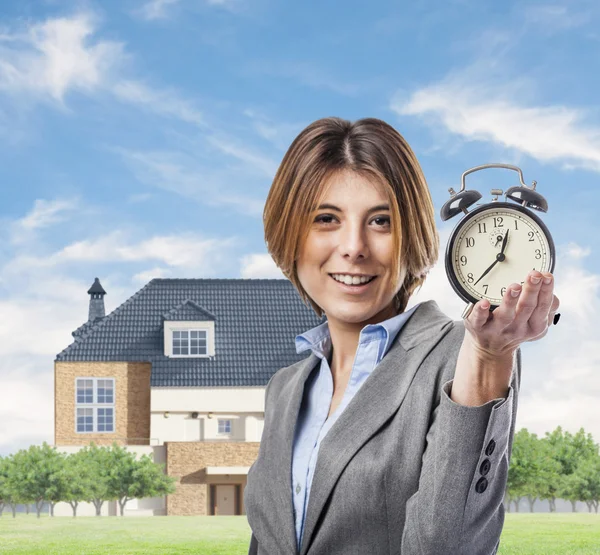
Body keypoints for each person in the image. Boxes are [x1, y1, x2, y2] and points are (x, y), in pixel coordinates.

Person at [244, 116, 560, 555]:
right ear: (290, 236)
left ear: (411, 239)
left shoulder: (461, 355)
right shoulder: (285, 387)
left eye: (380, 221)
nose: (354, 246)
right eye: (326, 218)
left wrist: (489, 357)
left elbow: (446, 545)